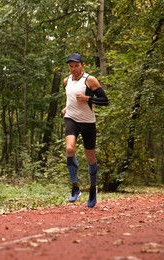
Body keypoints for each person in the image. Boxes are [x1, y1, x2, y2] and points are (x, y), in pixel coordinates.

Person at [61, 53, 109, 208]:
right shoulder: (66, 81)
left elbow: (105, 101)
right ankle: (75, 188)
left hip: (88, 122)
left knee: (90, 159)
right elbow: (70, 99)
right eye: (71, 66)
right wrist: (66, 108)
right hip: (71, 119)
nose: (73, 69)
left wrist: (88, 99)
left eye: (76, 65)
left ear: (82, 65)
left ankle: (93, 190)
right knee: (69, 149)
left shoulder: (90, 80)